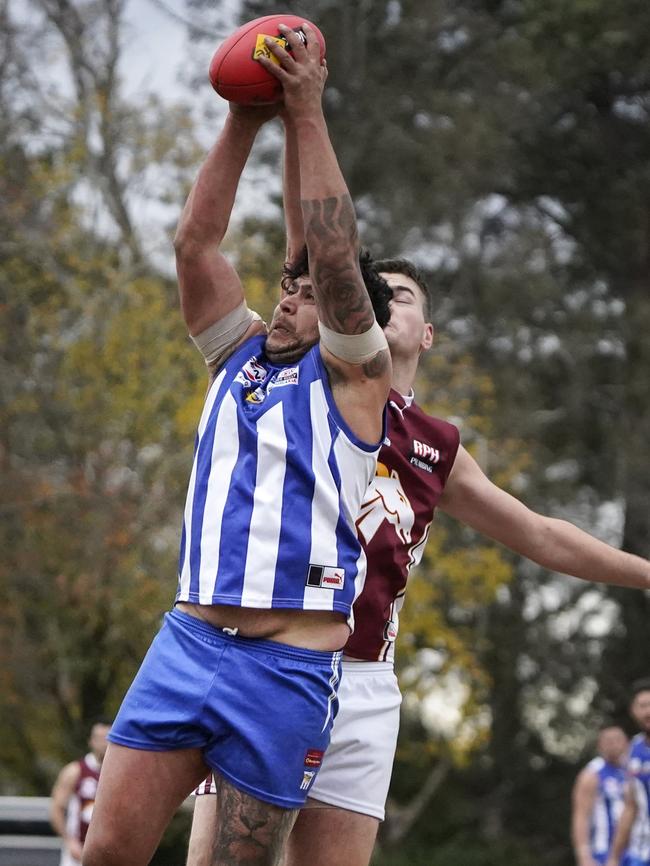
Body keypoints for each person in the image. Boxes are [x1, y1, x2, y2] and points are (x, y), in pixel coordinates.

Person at [186, 159, 650, 866]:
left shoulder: (437, 447)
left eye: (401, 297)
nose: (384, 302)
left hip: (365, 676)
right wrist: (292, 117)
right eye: (377, 293)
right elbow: (305, 242)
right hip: (266, 657)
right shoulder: (305, 378)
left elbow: (542, 536)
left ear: (426, 335)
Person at [82, 23, 392, 866]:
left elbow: (331, 252)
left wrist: (308, 112)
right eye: (284, 286)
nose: (290, 297)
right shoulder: (237, 354)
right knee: (106, 851)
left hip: (286, 671)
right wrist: (245, 121)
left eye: (306, 291)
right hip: (189, 642)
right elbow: (196, 244)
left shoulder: (355, 380)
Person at [50, 721, 111, 866]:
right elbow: (56, 809)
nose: (104, 743)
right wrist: (69, 841)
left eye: (108, 738)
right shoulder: (75, 771)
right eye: (100, 738)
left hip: (107, 852)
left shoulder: (120, 774)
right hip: (78, 851)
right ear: (91, 741)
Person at [606, 679, 650, 866]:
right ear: (633, 710)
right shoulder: (633, 750)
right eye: (643, 705)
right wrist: (614, 857)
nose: (649, 712)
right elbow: (631, 806)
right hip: (641, 852)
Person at [572, 725, 630, 866]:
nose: (614, 745)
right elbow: (581, 816)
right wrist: (583, 855)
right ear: (600, 745)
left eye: (617, 740)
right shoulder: (592, 774)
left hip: (633, 851)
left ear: (626, 742)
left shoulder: (634, 770)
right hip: (603, 851)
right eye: (608, 741)